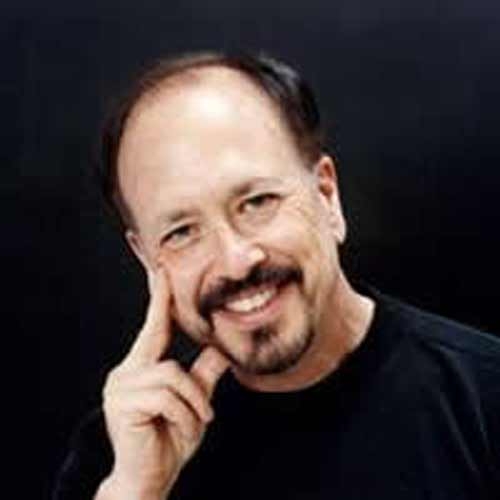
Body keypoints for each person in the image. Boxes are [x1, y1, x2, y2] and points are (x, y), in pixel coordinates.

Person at [53, 51, 500, 500]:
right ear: (146, 258)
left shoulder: (484, 398)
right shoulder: (123, 455)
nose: (235, 262)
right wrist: (138, 489)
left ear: (327, 196)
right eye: (182, 232)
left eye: (257, 202)